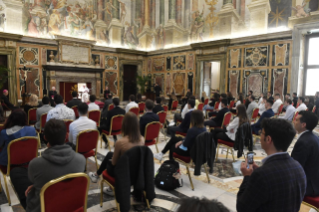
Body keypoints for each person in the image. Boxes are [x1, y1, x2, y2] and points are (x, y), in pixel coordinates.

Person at [10, 119, 86, 211]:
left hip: (42, 208)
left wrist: (36, 185)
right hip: (71, 204)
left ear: (45, 138)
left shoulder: (35, 164)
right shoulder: (81, 160)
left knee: (16, 172)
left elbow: (32, 180)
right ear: (66, 136)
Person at [237, 118, 306, 212]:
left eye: (262, 133)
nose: (260, 136)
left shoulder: (262, 175)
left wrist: (247, 177)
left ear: (268, 139)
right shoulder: (298, 167)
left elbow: (242, 208)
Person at [88, 112, 144, 195]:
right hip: (135, 173)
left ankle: (98, 177)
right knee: (110, 154)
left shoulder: (120, 142)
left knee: (110, 158)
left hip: (122, 174)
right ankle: (97, 175)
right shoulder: (142, 139)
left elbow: (114, 163)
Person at [292, 111, 319, 196]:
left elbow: (294, 169)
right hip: (315, 181)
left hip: (308, 186)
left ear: (303, 125)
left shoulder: (303, 142)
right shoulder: (315, 137)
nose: (294, 122)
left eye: (296, 120)